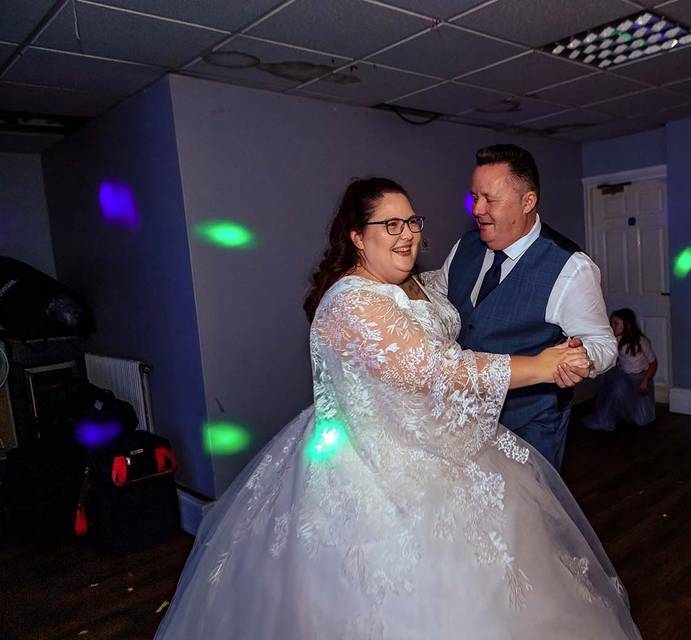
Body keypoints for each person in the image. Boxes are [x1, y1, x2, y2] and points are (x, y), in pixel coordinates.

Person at [154, 178, 642, 639]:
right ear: (356, 237)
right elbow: (431, 368)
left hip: (443, 447)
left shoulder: (416, 282)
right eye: (390, 225)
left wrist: (572, 352)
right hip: (372, 470)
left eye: (412, 222)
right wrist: (538, 366)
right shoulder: (349, 302)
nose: (407, 235)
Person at [428, 144, 617, 469]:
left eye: (491, 199)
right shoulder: (464, 248)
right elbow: (438, 301)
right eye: (475, 196)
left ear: (528, 201)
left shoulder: (570, 268)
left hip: (530, 425)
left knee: (526, 518)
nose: (477, 209)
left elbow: (604, 345)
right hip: (463, 421)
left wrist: (582, 358)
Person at [584, 309, 658, 431]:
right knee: (616, 390)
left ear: (627, 325)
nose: (612, 327)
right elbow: (612, 358)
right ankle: (608, 417)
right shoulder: (616, 340)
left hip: (640, 378)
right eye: (611, 323)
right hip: (624, 376)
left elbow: (653, 363)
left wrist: (645, 381)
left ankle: (632, 411)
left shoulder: (641, 341)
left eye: (615, 323)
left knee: (642, 420)